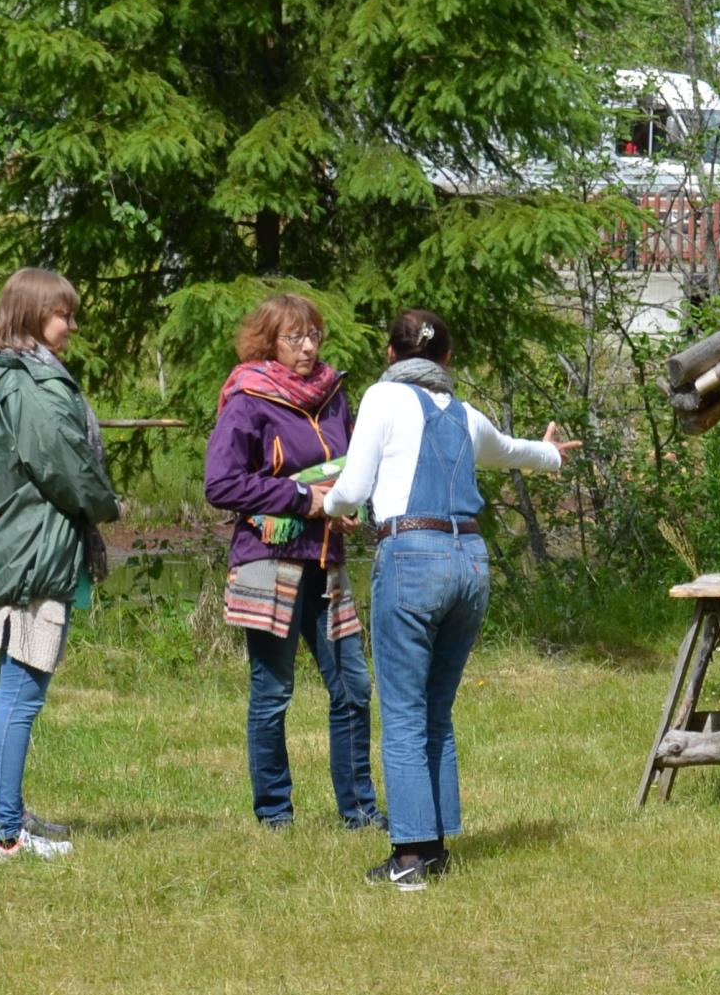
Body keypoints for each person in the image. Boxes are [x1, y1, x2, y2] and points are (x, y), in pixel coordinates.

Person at [323, 309, 578, 890]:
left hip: (412, 557)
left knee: (405, 712)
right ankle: (434, 845)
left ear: (391, 357)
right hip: (471, 564)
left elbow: (353, 490)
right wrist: (554, 455)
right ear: (446, 363)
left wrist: (326, 503)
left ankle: (410, 857)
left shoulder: (383, 400)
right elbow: (514, 451)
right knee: (436, 711)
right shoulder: (465, 415)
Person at [0, 268, 121, 862]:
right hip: (30, 556)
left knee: (10, 689)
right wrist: (106, 504)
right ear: (31, 316)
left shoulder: (15, 378)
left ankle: (7, 813)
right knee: (21, 691)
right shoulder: (34, 387)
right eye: (63, 314)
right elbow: (65, 469)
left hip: (17, 549)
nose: (71, 325)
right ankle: (5, 837)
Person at [203, 294, 379, 831]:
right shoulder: (249, 399)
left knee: (353, 685)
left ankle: (360, 812)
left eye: (314, 336)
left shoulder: (333, 396)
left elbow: (347, 473)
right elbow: (221, 483)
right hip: (269, 560)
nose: (307, 347)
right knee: (274, 692)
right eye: (294, 337)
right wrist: (306, 501)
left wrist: (345, 507)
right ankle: (275, 815)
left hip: (326, 561)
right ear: (267, 343)